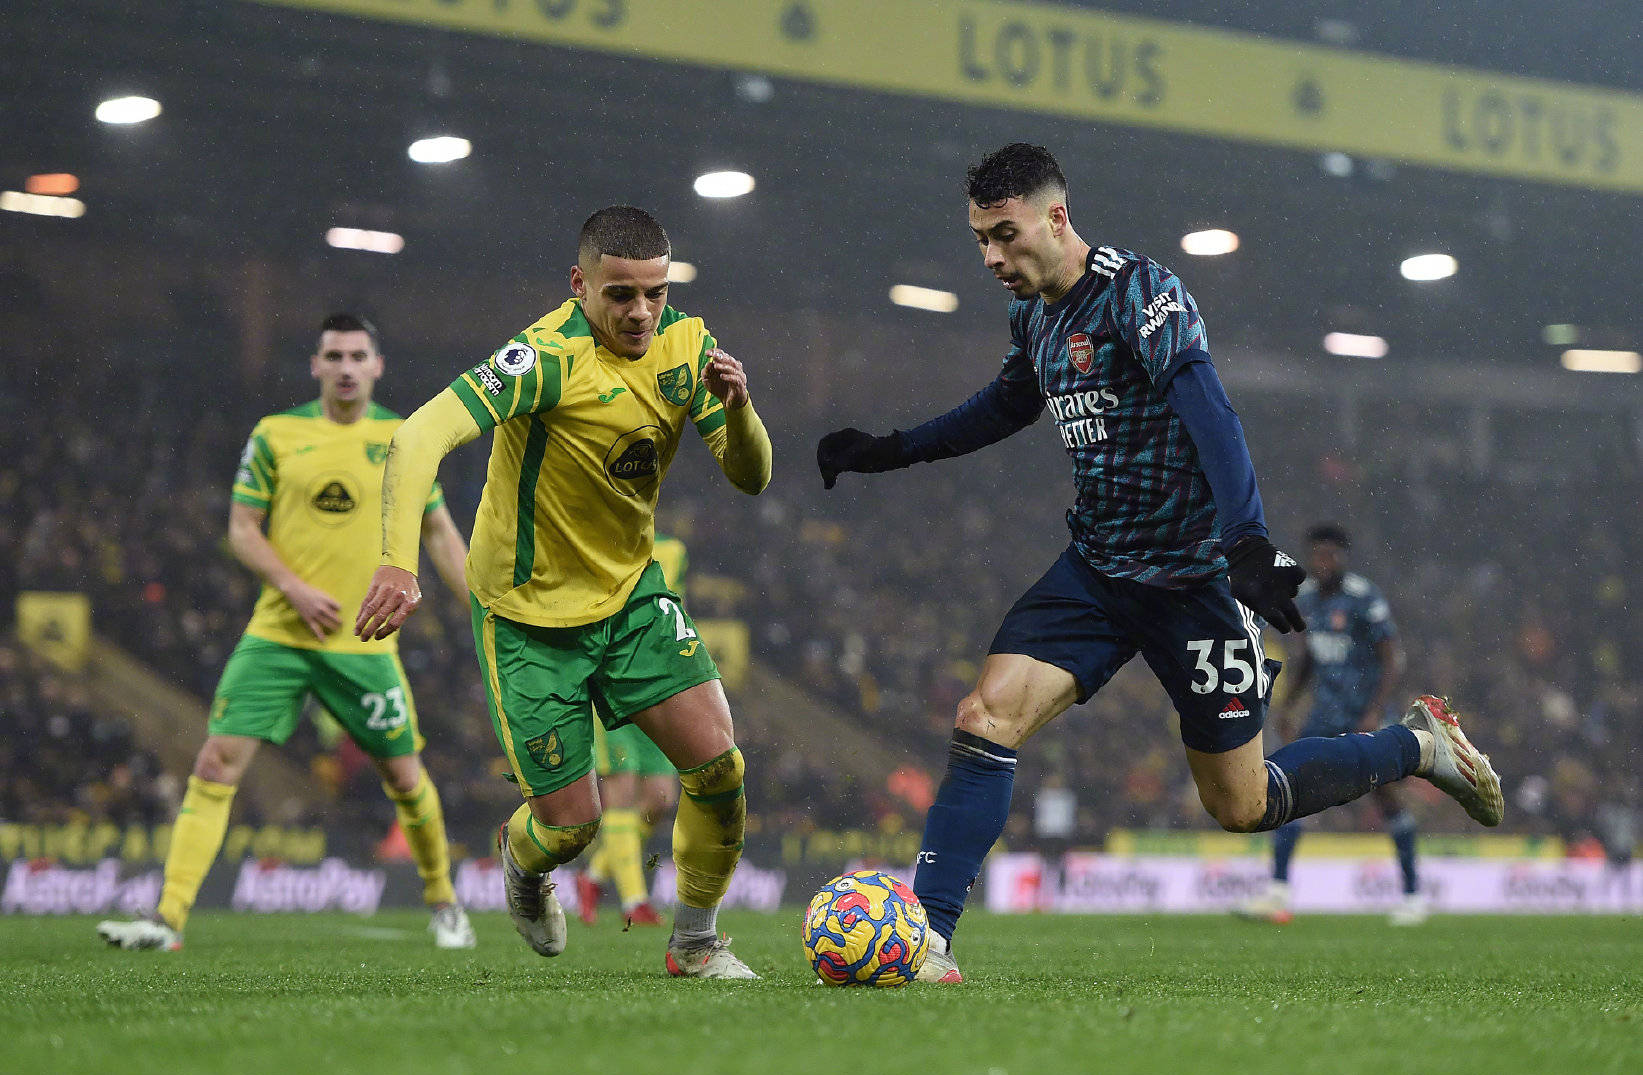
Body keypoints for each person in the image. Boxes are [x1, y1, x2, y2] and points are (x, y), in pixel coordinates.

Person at [816, 144, 1502, 983]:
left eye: (1004, 234)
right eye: (979, 239)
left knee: (1241, 806)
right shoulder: (1034, 315)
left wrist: (1245, 540)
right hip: (1098, 571)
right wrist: (890, 451)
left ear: (1055, 218)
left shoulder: (1140, 293)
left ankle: (1415, 749)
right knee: (982, 717)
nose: (991, 256)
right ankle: (931, 940)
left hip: (1194, 583)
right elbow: (1000, 408)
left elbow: (1209, 410)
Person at [355, 206, 772, 978]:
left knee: (720, 767)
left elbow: (751, 477)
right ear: (580, 285)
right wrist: (396, 561)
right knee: (572, 826)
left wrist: (740, 411)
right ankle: (522, 864)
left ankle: (696, 942)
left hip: (630, 598)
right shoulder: (543, 357)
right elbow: (417, 436)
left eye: (654, 292)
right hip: (527, 617)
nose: (640, 311)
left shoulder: (688, 346)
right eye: (619, 294)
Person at [98, 313, 476, 951]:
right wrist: (294, 587)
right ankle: (167, 922)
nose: (347, 367)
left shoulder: (402, 438)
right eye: (335, 355)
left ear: (377, 367)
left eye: (359, 355)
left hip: (363, 641)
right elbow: (242, 528)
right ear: (316, 365)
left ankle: (444, 903)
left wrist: (480, 608)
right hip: (278, 634)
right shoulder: (276, 433)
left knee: (406, 779)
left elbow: (438, 531)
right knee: (216, 763)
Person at [1239, 523, 1423, 926]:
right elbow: (1307, 659)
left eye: (1330, 556)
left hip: (1364, 711)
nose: (1322, 563)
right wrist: (1288, 706)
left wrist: (1376, 709)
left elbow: (1392, 659)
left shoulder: (1362, 597)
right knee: (1290, 790)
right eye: (1316, 555)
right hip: (1323, 713)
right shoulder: (1305, 599)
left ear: (1342, 558)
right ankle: (1278, 890)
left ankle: (1412, 894)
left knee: (1387, 797)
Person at [576, 533, 689, 928]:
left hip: (658, 686)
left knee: (660, 798)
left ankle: (593, 877)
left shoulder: (673, 552)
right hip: (611, 685)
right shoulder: (597, 547)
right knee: (621, 793)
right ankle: (634, 900)